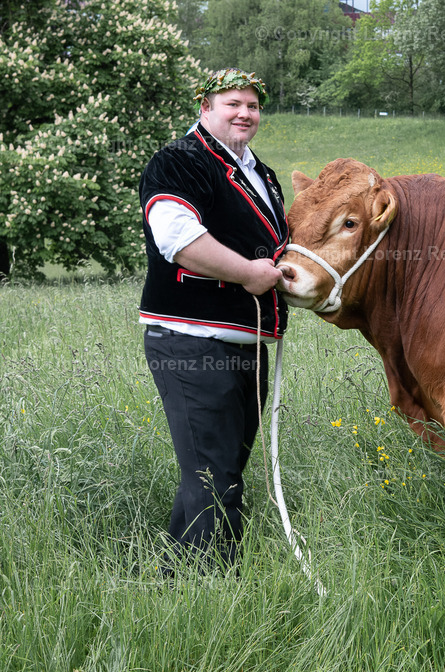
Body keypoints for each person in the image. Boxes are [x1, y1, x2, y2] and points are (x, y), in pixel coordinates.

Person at [138, 68, 289, 570]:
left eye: (253, 105)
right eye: (232, 104)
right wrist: (248, 273)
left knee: (218, 467)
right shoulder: (180, 161)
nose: (245, 113)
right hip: (192, 340)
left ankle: (173, 575)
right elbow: (177, 240)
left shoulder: (260, 173)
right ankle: (211, 585)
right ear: (205, 107)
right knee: (214, 472)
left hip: (244, 343)